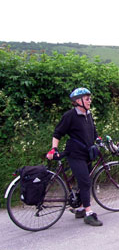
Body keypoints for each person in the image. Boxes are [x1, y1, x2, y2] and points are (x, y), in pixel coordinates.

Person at [46, 87, 103, 226]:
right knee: (85, 182)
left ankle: (81, 208)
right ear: (78, 101)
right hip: (75, 154)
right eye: (87, 98)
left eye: (90, 98)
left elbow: (93, 131)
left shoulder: (88, 114)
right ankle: (89, 214)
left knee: (85, 180)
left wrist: (100, 139)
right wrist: (54, 149)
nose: (90, 101)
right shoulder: (70, 116)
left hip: (87, 154)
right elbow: (57, 133)